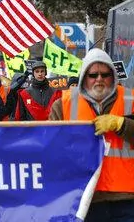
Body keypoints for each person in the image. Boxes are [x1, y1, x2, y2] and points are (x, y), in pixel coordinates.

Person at [49, 48, 134, 221]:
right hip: (84, 199)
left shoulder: (131, 100)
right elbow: (50, 147)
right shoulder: (63, 105)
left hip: (127, 198)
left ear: (113, 75)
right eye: (93, 75)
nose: (99, 79)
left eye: (105, 74)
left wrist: (122, 124)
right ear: (84, 77)